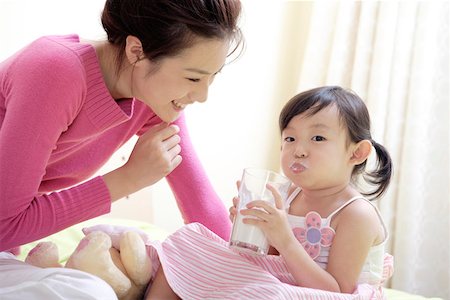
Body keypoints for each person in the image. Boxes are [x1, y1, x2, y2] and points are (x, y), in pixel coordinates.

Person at [0, 0, 243, 298]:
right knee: (89, 292)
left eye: (212, 77)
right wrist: (128, 179)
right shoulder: (56, 71)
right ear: (136, 51)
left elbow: (202, 207)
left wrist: (258, 274)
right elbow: (4, 224)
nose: (203, 95)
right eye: (193, 78)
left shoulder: (153, 100)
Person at [138, 85, 394, 299]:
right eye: (290, 139)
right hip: (287, 285)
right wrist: (256, 231)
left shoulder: (356, 214)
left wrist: (284, 238)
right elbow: (274, 264)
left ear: (357, 153)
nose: (299, 150)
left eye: (317, 138)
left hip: (325, 293)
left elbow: (338, 291)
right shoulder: (290, 195)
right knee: (189, 240)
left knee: (266, 294)